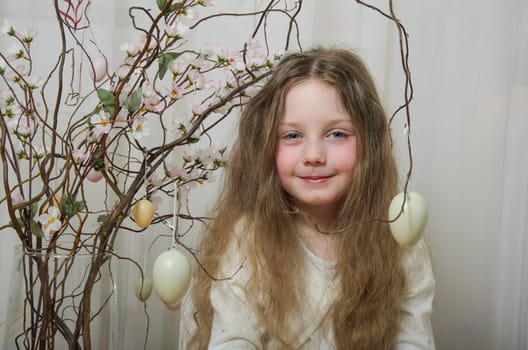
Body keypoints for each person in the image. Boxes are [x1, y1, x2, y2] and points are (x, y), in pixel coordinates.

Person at [179, 48, 435, 349]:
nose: (313, 155)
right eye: (292, 136)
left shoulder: (401, 242)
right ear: (266, 147)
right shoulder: (247, 240)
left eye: (337, 134)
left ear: (369, 143)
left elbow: (413, 342)